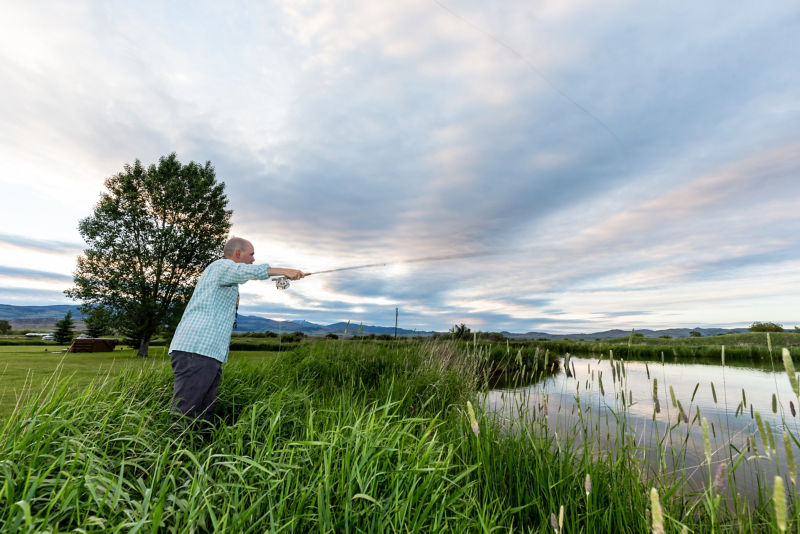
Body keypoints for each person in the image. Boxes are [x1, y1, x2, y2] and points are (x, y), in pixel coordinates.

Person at [168, 236, 304, 428]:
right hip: (196, 351)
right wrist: (285, 270)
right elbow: (246, 271)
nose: (254, 259)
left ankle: (196, 452)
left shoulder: (226, 275)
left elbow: (245, 273)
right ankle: (175, 454)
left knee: (203, 414)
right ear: (238, 253)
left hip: (207, 353)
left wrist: (281, 275)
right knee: (186, 415)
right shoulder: (220, 267)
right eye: (252, 254)